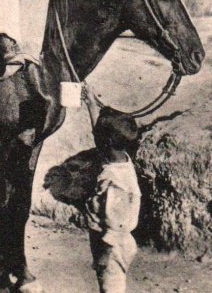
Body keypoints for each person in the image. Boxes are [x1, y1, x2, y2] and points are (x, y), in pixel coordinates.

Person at [85, 107, 142, 293]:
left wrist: (105, 256)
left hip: (112, 245)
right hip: (114, 241)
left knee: (111, 286)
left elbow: (116, 227)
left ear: (106, 142)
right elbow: (101, 134)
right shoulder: (121, 159)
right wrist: (90, 101)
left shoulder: (116, 183)